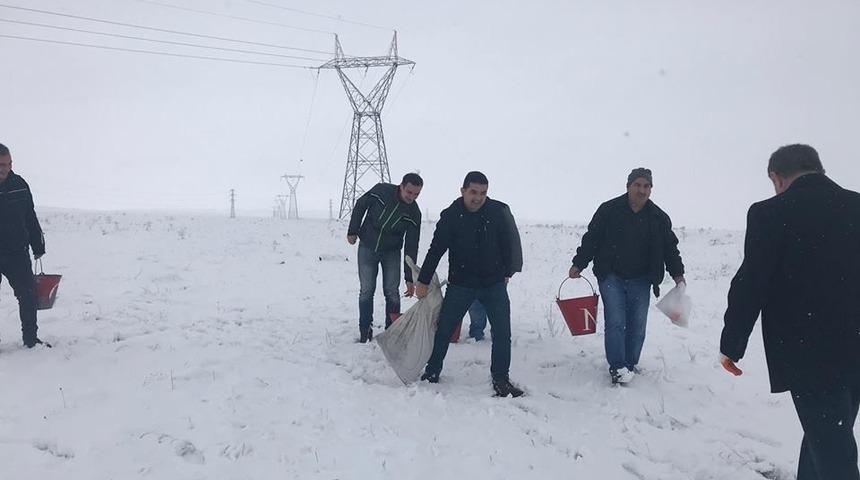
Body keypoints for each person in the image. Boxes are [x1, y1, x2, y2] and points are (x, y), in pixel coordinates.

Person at [720, 144, 860, 480]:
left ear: (777, 177)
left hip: (809, 351)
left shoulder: (770, 213)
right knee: (828, 435)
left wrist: (732, 344)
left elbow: (751, 282)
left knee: (833, 451)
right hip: (856, 346)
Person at [569, 168, 684, 385]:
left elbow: (670, 248)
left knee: (637, 325)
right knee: (615, 321)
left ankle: (629, 364)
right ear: (628, 186)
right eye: (637, 185)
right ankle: (618, 367)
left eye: (646, 186)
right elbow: (591, 238)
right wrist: (579, 263)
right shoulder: (609, 210)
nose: (642, 190)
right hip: (611, 275)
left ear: (651, 189)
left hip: (642, 279)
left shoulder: (658, 217)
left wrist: (678, 275)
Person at [415, 171, 523, 397]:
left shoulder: (497, 211)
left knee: (503, 333)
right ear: (463, 190)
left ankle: (501, 379)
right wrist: (423, 281)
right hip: (461, 284)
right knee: (444, 330)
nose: (478, 197)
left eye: (483, 193)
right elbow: (436, 250)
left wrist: (508, 271)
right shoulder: (451, 216)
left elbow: (509, 243)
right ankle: (432, 372)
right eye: (473, 192)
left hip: (493, 283)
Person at [347, 173, 423, 343]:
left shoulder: (414, 213)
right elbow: (361, 205)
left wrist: (409, 277)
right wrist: (353, 230)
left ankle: (391, 332)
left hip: (391, 252)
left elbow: (412, 244)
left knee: (393, 293)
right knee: (366, 290)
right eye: (409, 192)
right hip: (367, 246)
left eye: (416, 194)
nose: (412, 197)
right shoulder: (381, 190)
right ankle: (365, 329)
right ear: (401, 186)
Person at [0, 142, 48, 348]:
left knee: (28, 295)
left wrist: (37, 245)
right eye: (0, 164)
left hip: (16, 252)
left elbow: (30, 216)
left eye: (8, 163)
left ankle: (30, 340)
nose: (5, 168)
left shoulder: (19, 185)